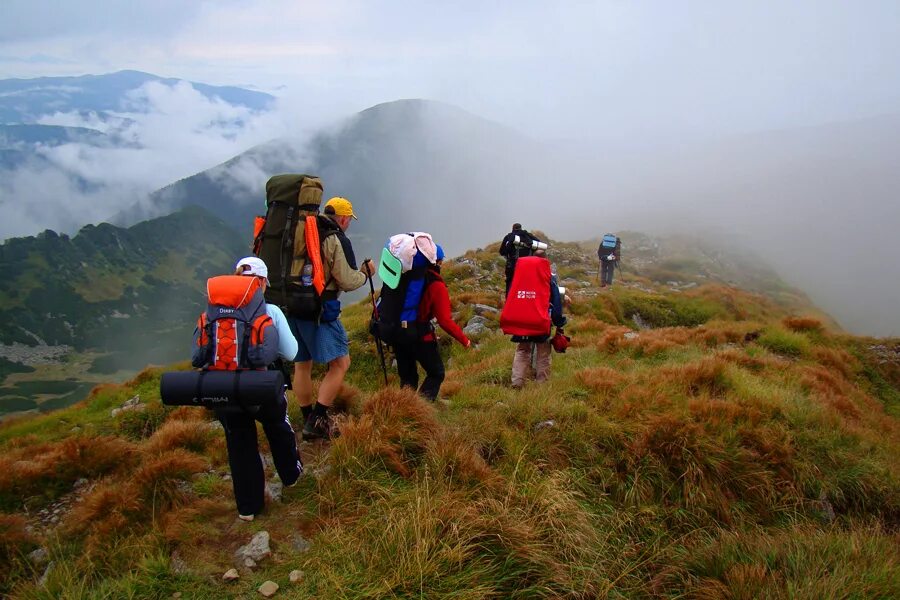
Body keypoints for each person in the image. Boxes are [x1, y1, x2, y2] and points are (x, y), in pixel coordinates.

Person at [222, 256, 302, 521]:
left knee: (239, 443)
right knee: (279, 427)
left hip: (225, 388)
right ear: (262, 283)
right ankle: (292, 478)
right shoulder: (271, 312)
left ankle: (248, 508)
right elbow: (291, 353)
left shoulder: (217, 312)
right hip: (263, 385)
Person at [289, 196, 375, 440]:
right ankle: (317, 420)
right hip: (319, 310)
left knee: (301, 364)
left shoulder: (303, 230)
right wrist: (365, 273)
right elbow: (346, 281)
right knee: (340, 364)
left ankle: (307, 417)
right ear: (344, 218)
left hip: (291, 307)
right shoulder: (333, 238)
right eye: (349, 220)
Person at [393, 244, 472, 401]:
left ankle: (402, 412)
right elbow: (444, 321)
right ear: (436, 262)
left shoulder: (404, 275)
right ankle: (420, 409)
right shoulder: (436, 284)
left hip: (398, 332)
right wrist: (465, 340)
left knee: (408, 378)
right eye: (441, 261)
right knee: (436, 373)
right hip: (420, 335)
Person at [509, 249, 567, 389]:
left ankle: (517, 382)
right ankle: (542, 385)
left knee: (522, 350)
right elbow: (556, 302)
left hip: (522, 320)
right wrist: (559, 322)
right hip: (541, 321)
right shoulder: (548, 277)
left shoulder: (520, 275)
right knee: (543, 352)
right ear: (545, 260)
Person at [499, 223, 542, 296]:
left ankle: (509, 303)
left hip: (512, 266)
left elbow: (502, 252)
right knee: (526, 286)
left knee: (510, 284)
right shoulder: (528, 235)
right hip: (528, 267)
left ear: (513, 228)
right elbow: (538, 243)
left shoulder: (509, 236)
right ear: (521, 228)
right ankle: (525, 303)